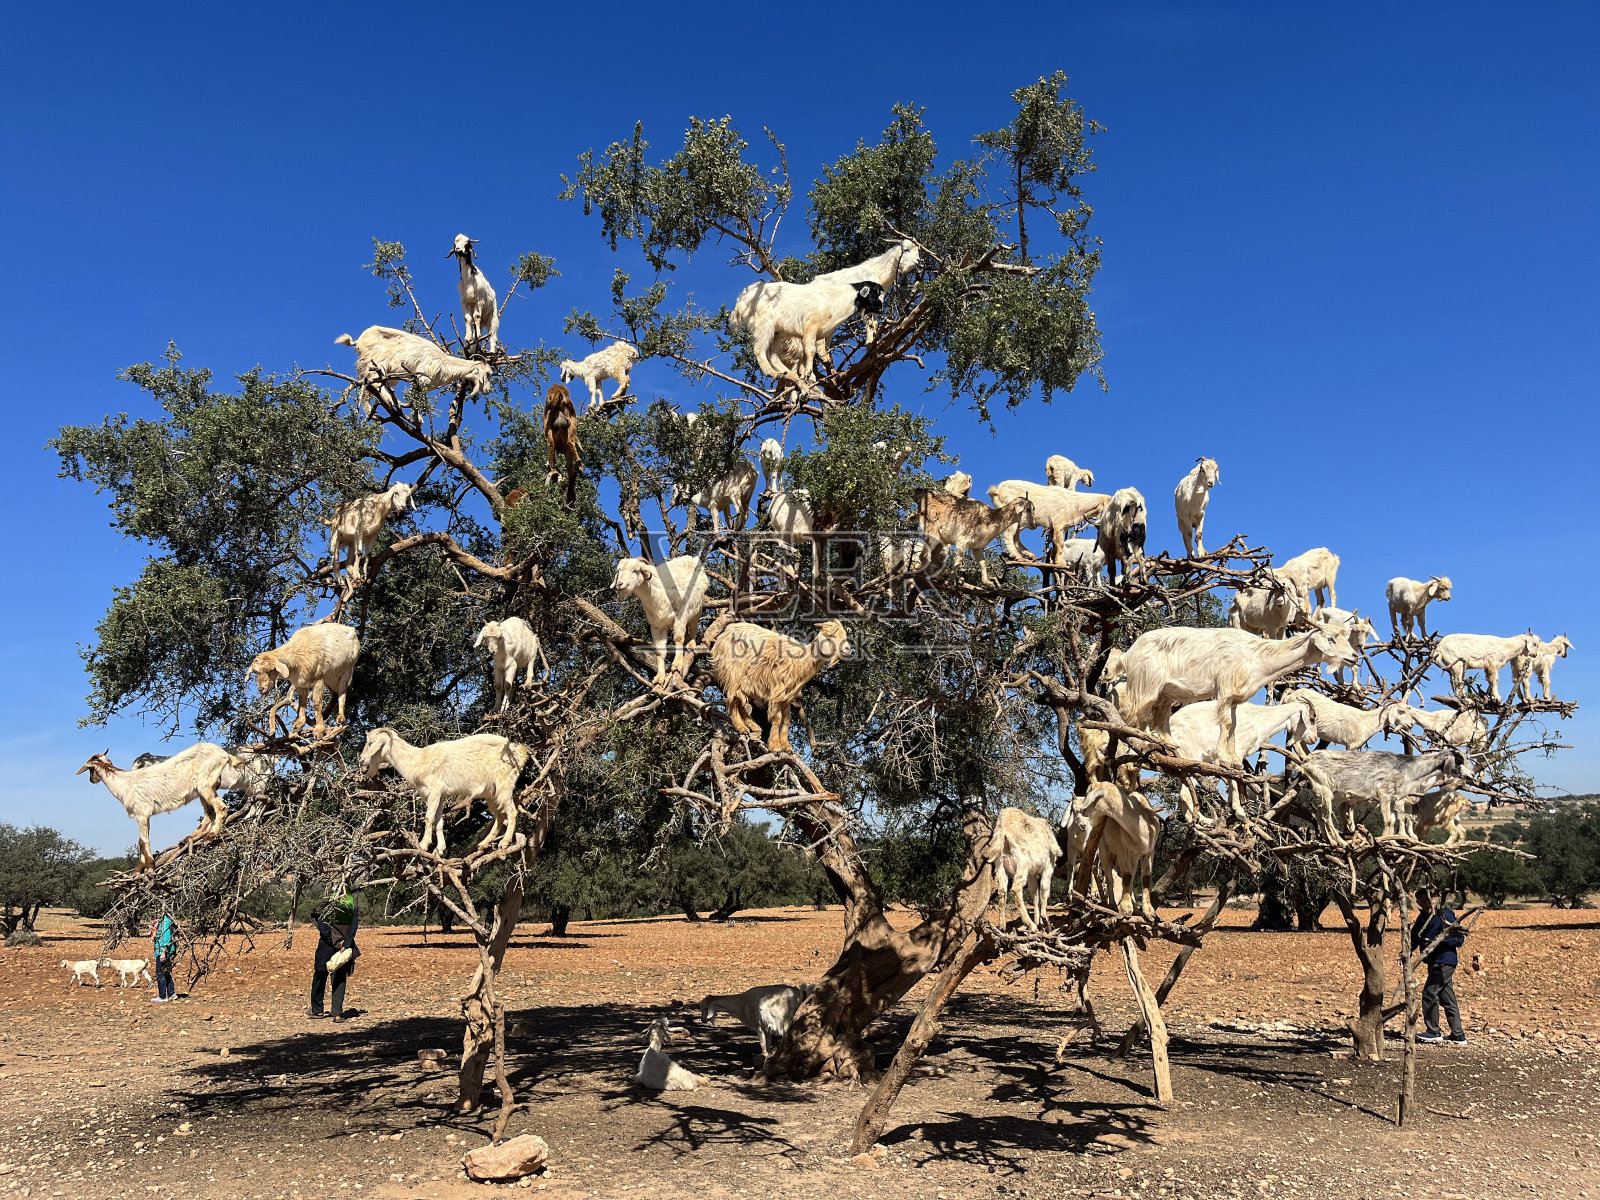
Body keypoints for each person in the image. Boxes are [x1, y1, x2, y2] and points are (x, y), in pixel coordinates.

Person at [1411, 887, 1467, 1045]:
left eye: (1429, 897)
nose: (1426, 901)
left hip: (1445, 961)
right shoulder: (1422, 918)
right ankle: (1458, 1035)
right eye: (1421, 899)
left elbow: (1459, 939)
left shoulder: (1445, 915)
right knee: (1447, 997)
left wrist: (1436, 941)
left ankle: (1433, 1031)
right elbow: (1414, 939)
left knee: (1429, 993)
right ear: (1418, 902)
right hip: (1432, 962)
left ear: (1436, 898)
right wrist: (1405, 953)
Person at [309, 892, 360, 1022]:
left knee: (321, 975)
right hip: (343, 947)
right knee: (337, 978)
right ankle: (337, 1013)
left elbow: (322, 926)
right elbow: (353, 928)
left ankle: (318, 1010)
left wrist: (336, 941)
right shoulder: (351, 908)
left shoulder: (327, 907)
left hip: (327, 946)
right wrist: (345, 943)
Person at [150, 914, 178, 1003]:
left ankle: (162, 996)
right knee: (166, 972)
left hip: (163, 951)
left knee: (160, 973)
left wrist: (163, 952)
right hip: (167, 950)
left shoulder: (165, 922)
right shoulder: (166, 920)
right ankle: (171, 993)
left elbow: (166, 937)